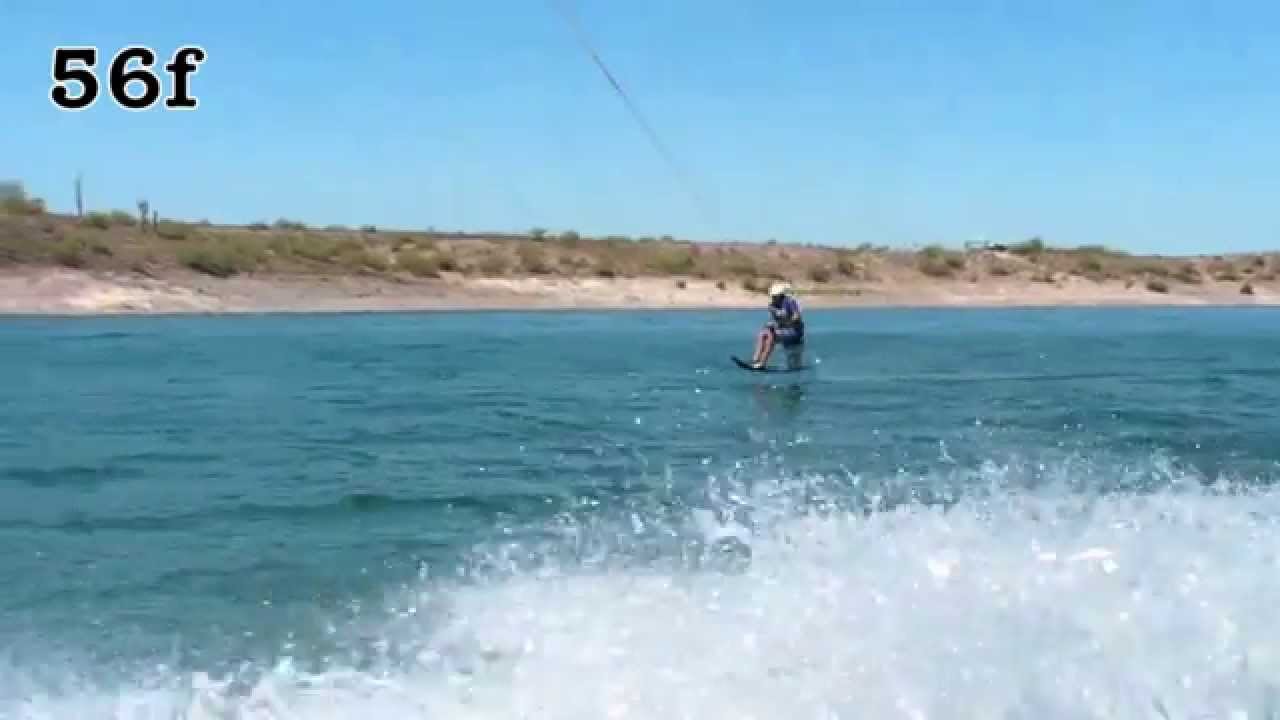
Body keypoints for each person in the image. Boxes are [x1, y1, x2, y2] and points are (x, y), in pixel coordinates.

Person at [750, 281, 804, 369]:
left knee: (772, 336)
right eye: (772, 296)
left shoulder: (789, 302)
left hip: (794, 332)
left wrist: (787, 322)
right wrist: (771, 324)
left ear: (780, 295)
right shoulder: (772, 306)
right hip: (782, 330)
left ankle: (762, 363)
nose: (773, 298)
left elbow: (796, 316)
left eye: (775, 296)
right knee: (763, 334)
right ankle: (755, 359)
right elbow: (775, 321)